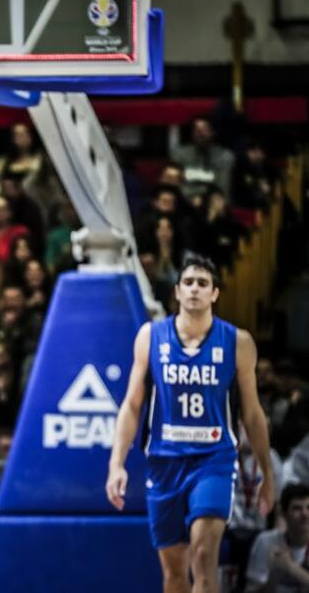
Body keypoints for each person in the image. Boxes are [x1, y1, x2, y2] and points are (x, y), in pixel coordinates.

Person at [106, 252, 274, 593]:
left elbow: (253, 414)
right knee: (174, 572)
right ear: (178, 292)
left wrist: (267, 473)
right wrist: (116, 463)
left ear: (214, 294)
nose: (195, 289)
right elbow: (132, 405)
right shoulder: (151, 337)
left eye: (203, 283)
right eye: (189, 282)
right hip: (165, 461)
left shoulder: (237, 342)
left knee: (203, 555)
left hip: (213, 459)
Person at [244, 484, 309, 592]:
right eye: (297, 508)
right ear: (284, 514)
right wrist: (273, 577)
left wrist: (291, 568)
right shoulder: (266, 541)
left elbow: (290, 567)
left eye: (308, 508)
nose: (305, 514)